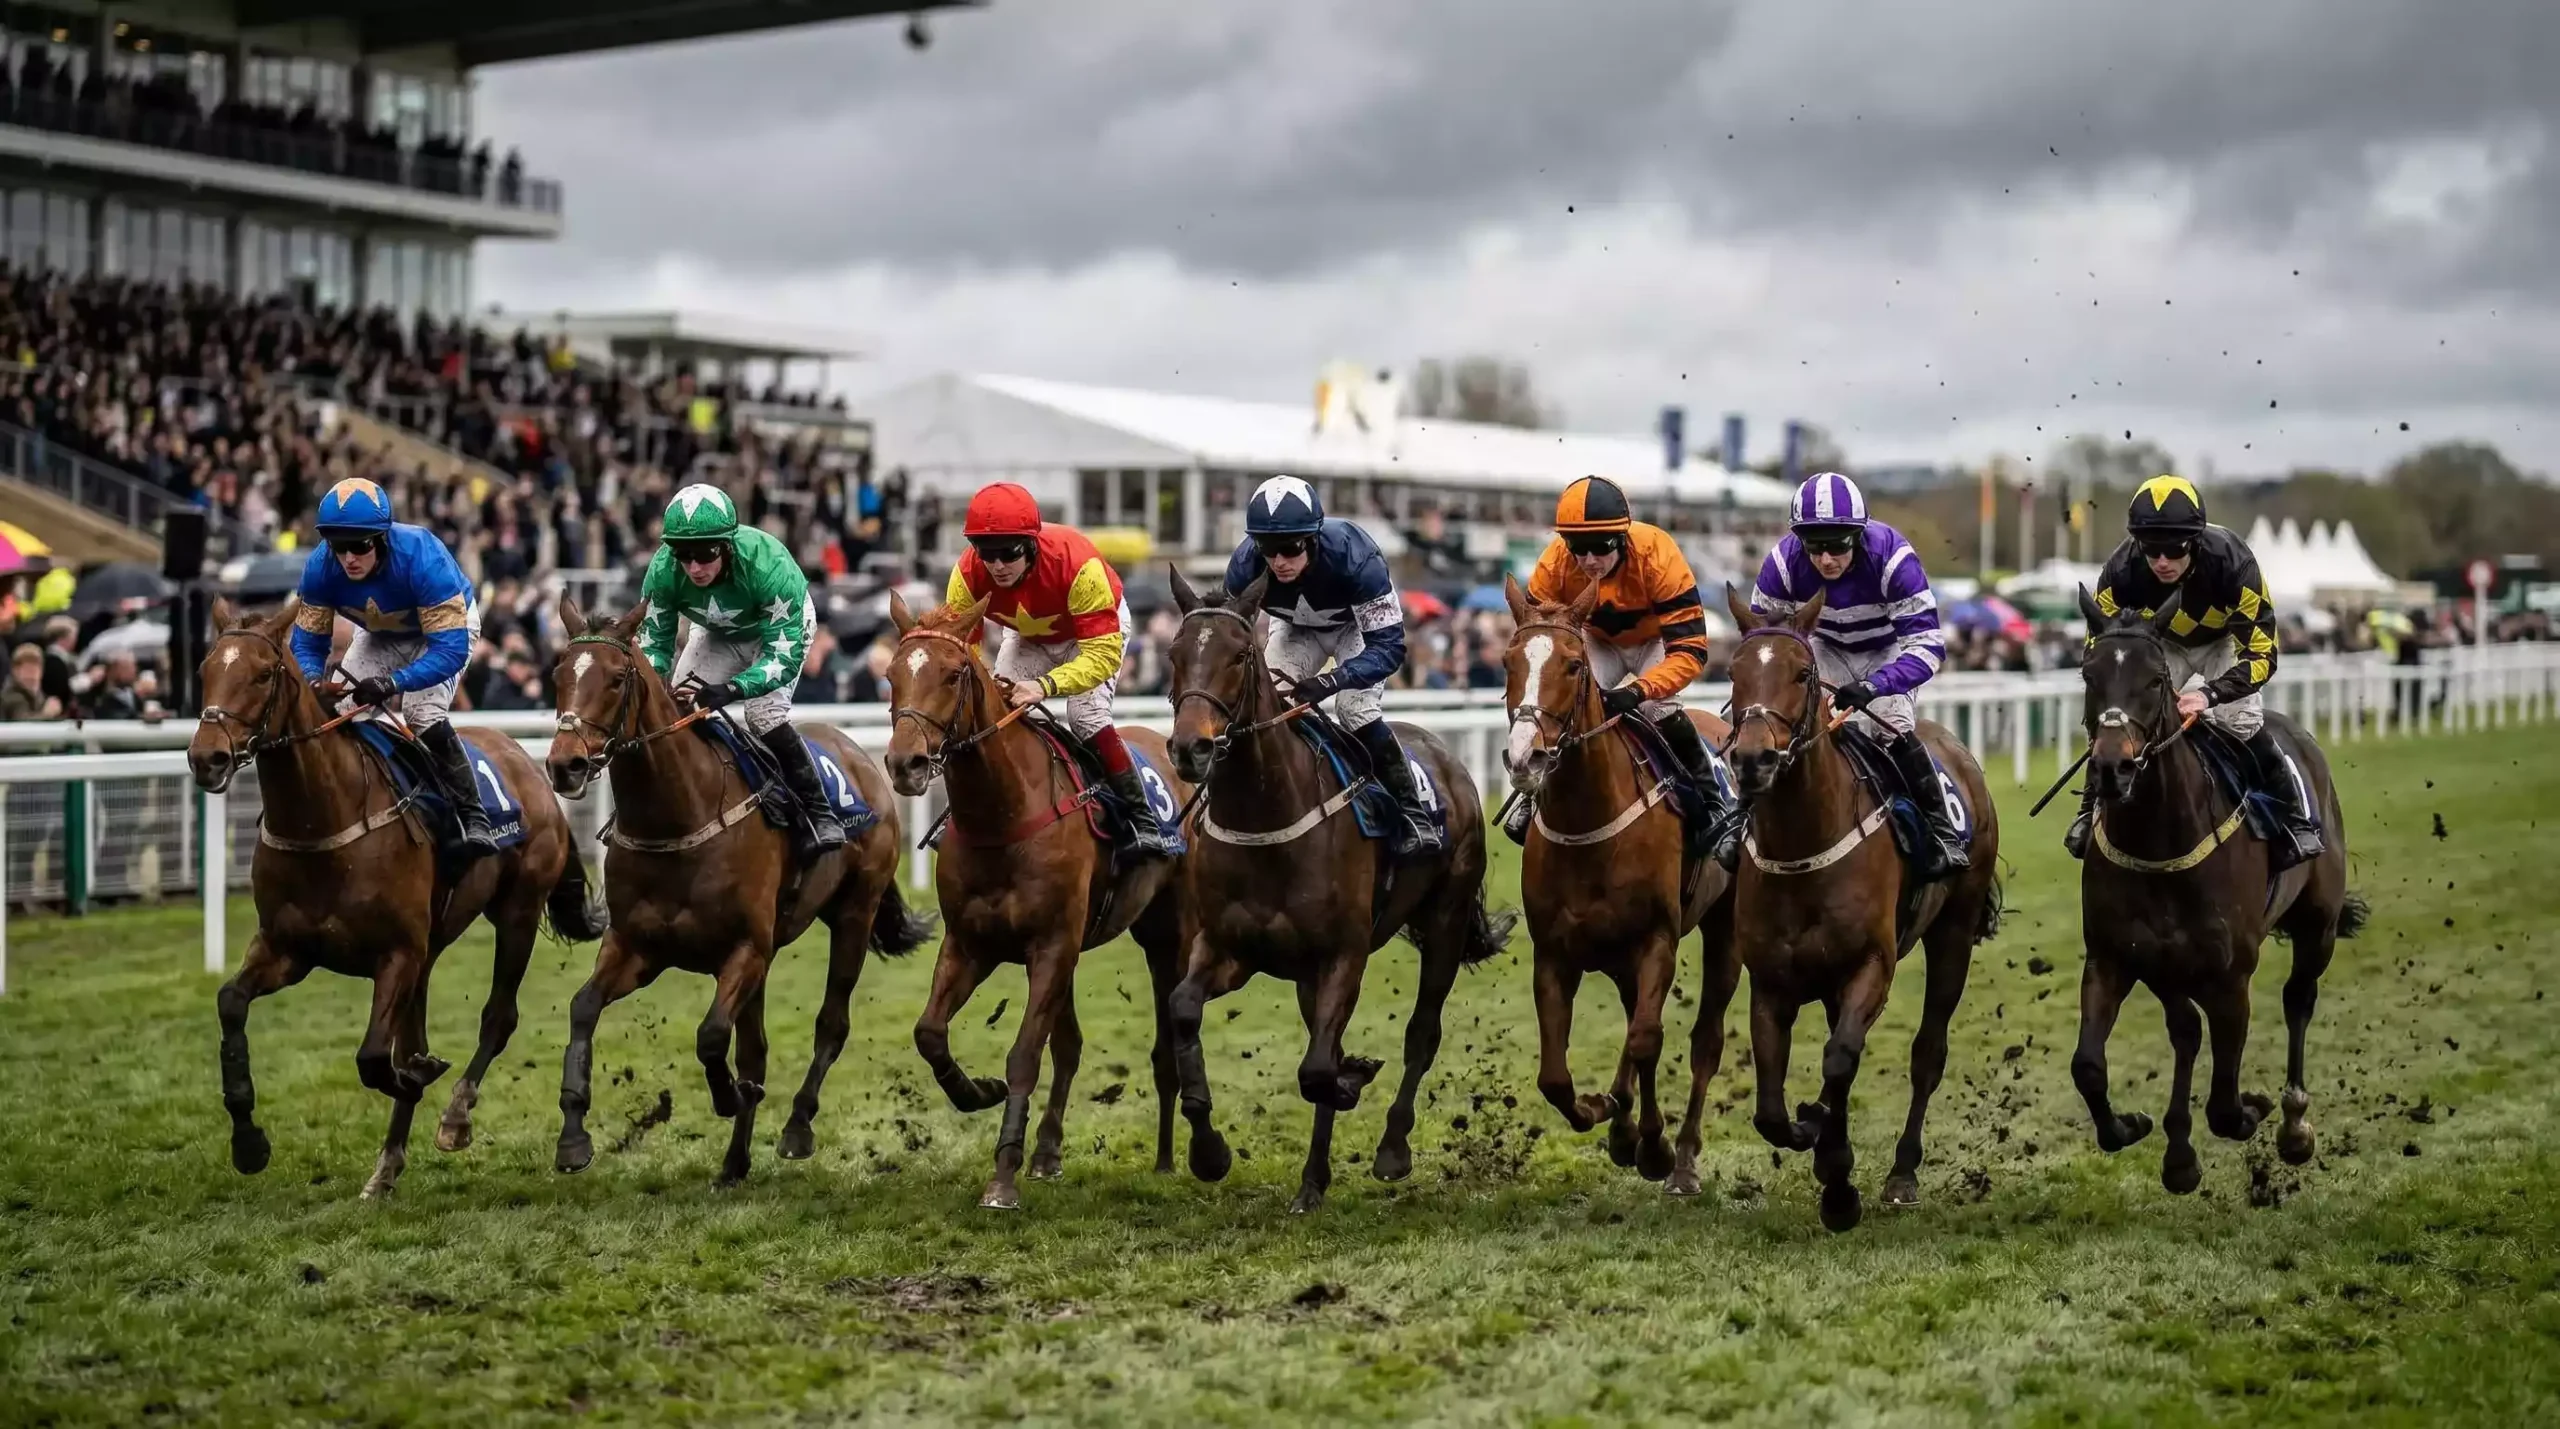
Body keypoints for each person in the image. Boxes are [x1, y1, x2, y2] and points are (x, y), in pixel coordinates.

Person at [2072, 475, 2321, 869]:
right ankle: (2089, 810)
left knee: (2240, 721)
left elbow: (2262, 654)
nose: (2162, 561)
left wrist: (2211, 694)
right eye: (2151, 550)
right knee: (2118, 716)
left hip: (2224, 642)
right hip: (2160, 644)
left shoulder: (2235, 564)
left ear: (2195, 540)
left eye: (2174, 549)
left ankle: (2293, 818)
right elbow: (2099, 650)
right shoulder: (2120, 570)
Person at [1749, 471, 1968, 880]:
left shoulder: (1893, 558)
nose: (1825, 559)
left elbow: (1927, 646)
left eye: (1837, 545)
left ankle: (1941, 831)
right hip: (1824, 647)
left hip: (1887, 650)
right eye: (1815, 547)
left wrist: (1875, 685)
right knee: (1784, 728)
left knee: (1890, 726)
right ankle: (1745, 821)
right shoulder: (1781, 564)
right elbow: (1763, 641)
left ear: (1859, 535)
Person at [946, 481, 1179, 860]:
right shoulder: (967, 573)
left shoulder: (1078, 565)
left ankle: (1142, 819)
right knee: (993, 715)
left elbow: (1102, 656)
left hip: (1093, 637)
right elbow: (961, 648)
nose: (998, 565)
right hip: (1027, 635)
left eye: (1008, 552)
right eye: (986, 552)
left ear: (1031, 544)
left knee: (1085, 717)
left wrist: (1045, 685)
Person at [1516, 475, 1737, 862]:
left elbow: (1690, 651)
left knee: (1657, 708)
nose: (1589, 560)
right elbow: (1538, 638)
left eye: (1600, 547)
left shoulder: (1659, 555)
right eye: (1577, 548)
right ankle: (1531, 795)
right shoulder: (1553, 563)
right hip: (1595, 640)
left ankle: (1713, 798)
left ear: (1621, 538)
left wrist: (1639, 690)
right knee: (1562, 704)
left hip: (1656, 642)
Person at [1223, 475, 1443, 857]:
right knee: (1269, 706)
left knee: (1354, 709)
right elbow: (1228, 637)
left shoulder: (1356, 557)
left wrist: (1332, 680)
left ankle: (1413, 814)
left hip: (1355, 629)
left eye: (1290, 548)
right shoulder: (1244, 567)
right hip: (1294, 629)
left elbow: (1389, 648)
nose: (1278, 562)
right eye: (1267, 549)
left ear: (1313, 538)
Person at [636, 482, 847, 862]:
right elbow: (654, 646)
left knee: (762, 714)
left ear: (727, 545)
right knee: (678, 710)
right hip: (717, 633)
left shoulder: (769, 565)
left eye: (705, 554)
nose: (694, 567)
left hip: (778, 635)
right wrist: (654, 692)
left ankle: (818, 812)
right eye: (683, 555)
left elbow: (782, 658)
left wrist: (733, 688)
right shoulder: (663, 571)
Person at [289, 476, 500, 856]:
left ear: (383, 538)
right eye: (338, 546)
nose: (348, 558)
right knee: (340, 710)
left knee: (421, 713)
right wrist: (312, 681)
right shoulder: (320, 568)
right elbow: (306, 643)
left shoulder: (422, 556)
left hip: (446, 632)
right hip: (382, 633)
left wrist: (393, 683)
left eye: (360, 546)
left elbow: (449, 651)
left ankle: (473, 814)